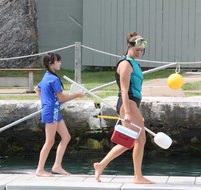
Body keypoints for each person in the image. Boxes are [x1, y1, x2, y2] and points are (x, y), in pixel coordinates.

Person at [94, 32, 153, 184]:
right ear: (129, 47)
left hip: (133, 104)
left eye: (142, 50)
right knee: (141, 139)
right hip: (128, 103)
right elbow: (125, 90)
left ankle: (101, 165)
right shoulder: (125, 64)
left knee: (130, 141)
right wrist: (127, 112)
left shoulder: (134, 63)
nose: (139, 52)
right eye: (137, 49)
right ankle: (138, 177)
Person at [35, 53, 84, 177]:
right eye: (58, 61)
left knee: (66, 137)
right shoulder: (54, 79)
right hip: (51, 110)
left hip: (53, 110)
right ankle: (40, 170)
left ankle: (57, 166)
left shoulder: (46, 76)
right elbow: (61, 98)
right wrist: (77, 95)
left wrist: (45, 101)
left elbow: (38, 89)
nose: (60, 63)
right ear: (51, 63)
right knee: (50, 141)